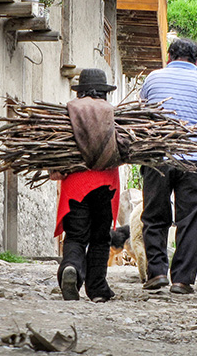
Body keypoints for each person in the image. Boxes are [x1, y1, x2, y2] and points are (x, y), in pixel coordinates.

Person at [139, 38, 197, 295]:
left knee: (154, 216)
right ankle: (182, 280)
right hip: (194, 159)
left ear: (169, 56)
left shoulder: (152, 79)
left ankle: (156, 272)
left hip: (159, 157)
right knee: (191, 220)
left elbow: (142, 115)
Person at [51, 68, 122, 302]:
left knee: (76, 235)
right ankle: (98, 289)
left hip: (76, 184)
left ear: (80, 91)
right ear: (104, 92)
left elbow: (55, 150)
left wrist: (55, 169)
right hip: (105, 184)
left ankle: (70, 268)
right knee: (101, 237)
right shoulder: (114, 114)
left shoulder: (67, 112)